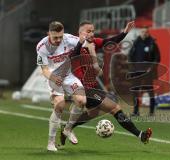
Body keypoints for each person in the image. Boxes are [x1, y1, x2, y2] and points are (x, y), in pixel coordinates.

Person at [60, 21, 152, 146]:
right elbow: (73, 56)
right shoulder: (74, 45)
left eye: (93, 30)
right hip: (82, 86)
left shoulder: (93, 42)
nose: (92, 33)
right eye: (89, 31)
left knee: (93, 113)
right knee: (115, 108)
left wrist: (125, 32)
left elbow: (110, 42)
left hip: (92, 84)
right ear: (80, 33)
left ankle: (67, 127)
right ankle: (140, 135)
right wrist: (83, 44)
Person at [36, 21, 87, 151]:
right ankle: (51, 143)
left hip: (69, 75)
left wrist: (86, 38)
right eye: (55, 37)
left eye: (60, 36)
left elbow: (86, 44)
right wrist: (54, 78)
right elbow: (45, 70)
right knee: (59, 104)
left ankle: (68, 129)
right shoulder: (42, 47)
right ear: (49, 34)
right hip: (52, 76)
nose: (59, 40)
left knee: (81, 100)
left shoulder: (70, 39)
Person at [128, 26, 160, 116]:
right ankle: (135, 111)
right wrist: (132, 68)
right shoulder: (135, 43)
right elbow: (130, 56)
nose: (144, 33)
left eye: (146, 32)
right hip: (136, 71)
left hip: (148, 72)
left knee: (150, 91)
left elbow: (157, 58)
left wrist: (151, 68)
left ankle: (152, 112)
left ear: (148, 33)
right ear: (140, 33)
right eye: (142, 32)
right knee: (135, 91)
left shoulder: (152, 43)